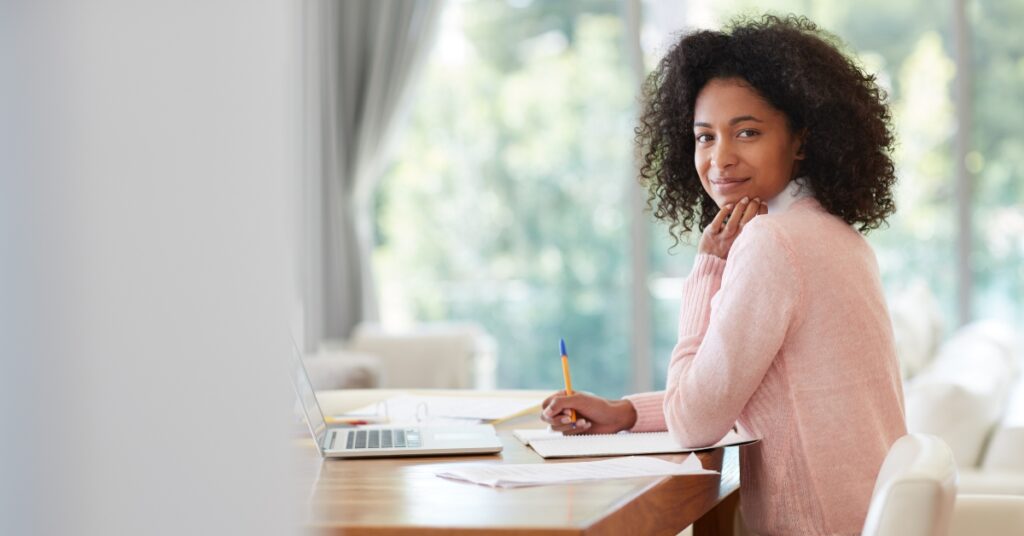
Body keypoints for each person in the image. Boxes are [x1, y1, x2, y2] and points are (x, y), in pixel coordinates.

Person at [542, 15, 906, 536]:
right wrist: (624, 413)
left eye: (748, 132)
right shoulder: (838, 237)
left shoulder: (772, 242)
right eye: (704, 137)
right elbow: (741, 389)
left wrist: (709, 267)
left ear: (800, 140)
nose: (720, 159)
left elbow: (695, 423)